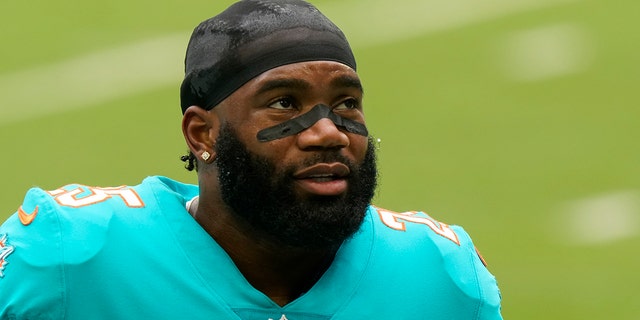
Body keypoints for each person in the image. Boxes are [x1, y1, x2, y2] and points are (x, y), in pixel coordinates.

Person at [0, 0, 502, 319]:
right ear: (203, 133)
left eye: (347, 103)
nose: (328, 132)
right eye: (285, 102)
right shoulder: (68, 251)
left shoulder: (440, 274)